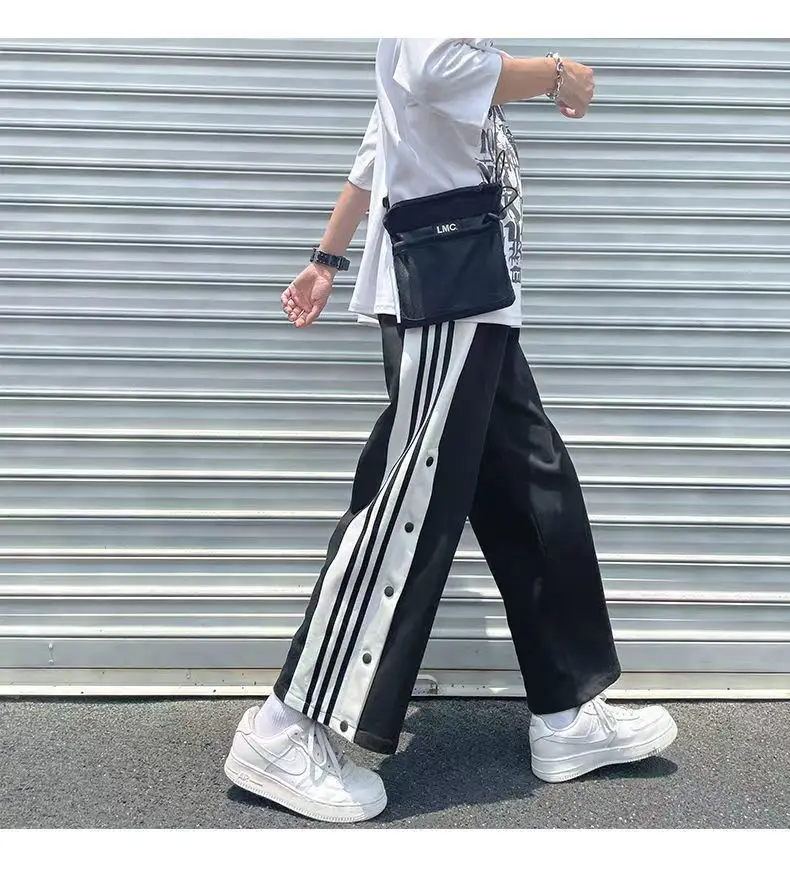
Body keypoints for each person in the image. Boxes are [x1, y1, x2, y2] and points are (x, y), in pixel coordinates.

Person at [223, 38, 678, 824]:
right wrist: (559, 75)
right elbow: (433, 70)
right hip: (448, 288)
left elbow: (383, 137)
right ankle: (286, 728)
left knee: (533, 487)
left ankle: (567, 712)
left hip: (478, 291)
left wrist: (327, 256)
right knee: (411, 504)